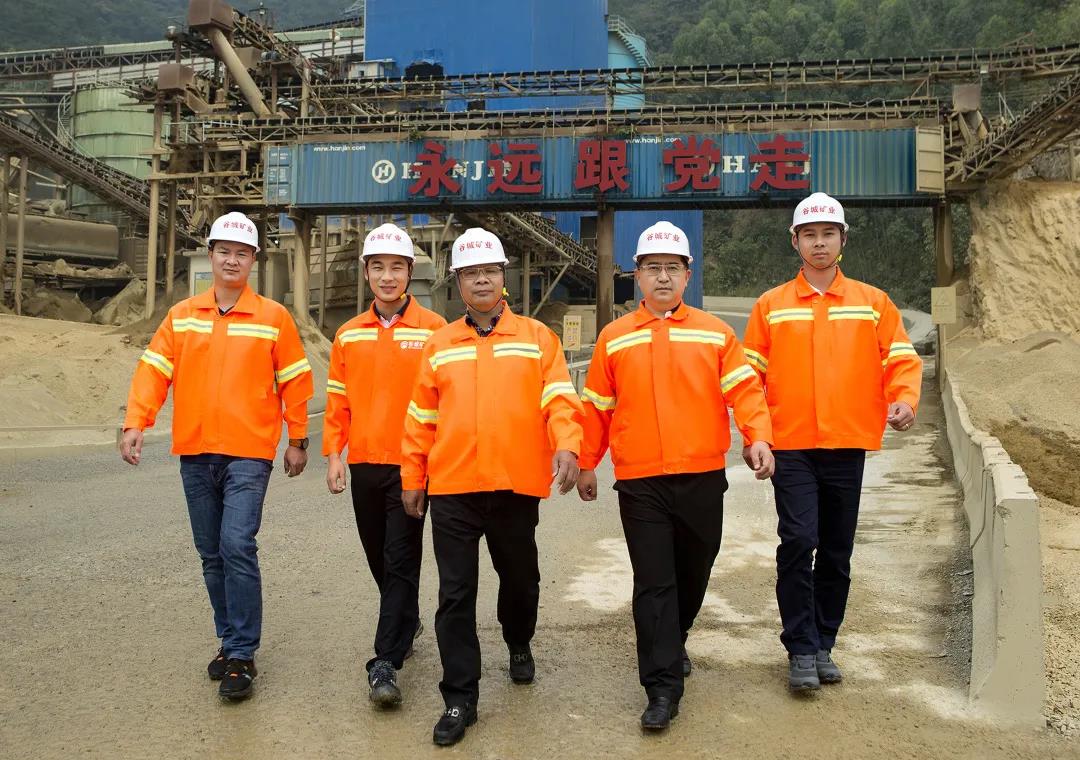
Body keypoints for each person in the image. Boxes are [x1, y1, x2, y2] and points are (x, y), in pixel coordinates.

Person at [577, 221, 774, 730]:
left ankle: (674, 637)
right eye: (652, 268)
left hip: (702, 477)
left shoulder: (715, 334)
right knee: (654, 581)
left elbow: (746, 392)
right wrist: (586, 462)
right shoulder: (615, 338)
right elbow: (596, 407)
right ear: (637, 276)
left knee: (694, 570)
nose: (662, 277)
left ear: (688, 274)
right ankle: (661, 688)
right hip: (640, 481)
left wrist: (757, 436)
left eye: (672, 268)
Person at [400, 227, 583, 746]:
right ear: (457, 282)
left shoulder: (537, 338)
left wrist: (568, 445)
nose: (481, 280)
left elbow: (560, 400)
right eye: (471, 273)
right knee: (455, 594)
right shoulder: (439, 345)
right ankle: (460, 697)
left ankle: (518, 641)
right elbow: (420, 419)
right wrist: (413, 477)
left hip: (514, 485)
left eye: (489, 271)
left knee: (520, 580)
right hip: (453, 487)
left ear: (503, 277)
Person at [120, 211, 313, 700]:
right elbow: (154, 370)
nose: (232, 260)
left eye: (241, 253)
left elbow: (295, 380)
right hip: (195, 451)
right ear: (210, 255)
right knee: (210, 554)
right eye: (224, 251)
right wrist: (136, 421)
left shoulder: (273, 318)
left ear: (253, 261)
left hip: (249, 453)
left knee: (236, 544)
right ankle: (228, 641)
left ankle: (243, 653)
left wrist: (298, 439)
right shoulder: (182, 316)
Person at [742, 192, 922, 691]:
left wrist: (905, 399)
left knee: (837, 550)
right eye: (809, 235)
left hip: (847, 441)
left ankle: (824, 642)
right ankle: (800, 647)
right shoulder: (771, 306)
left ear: (843, 239)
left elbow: (900, 359)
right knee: (800, 541)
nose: (818, 243)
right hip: (791, 444)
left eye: (827, 234)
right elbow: (748, 378)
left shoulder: (872, 303)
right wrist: (756, 435)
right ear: (795, 242)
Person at [322, 222, 447, 707]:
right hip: (364, 464)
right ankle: (405, 620)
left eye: (397, 267)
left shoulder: (434, 330)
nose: (388, 276)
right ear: (366, 272)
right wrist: (335, 454)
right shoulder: (348, 335)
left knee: (400, 558)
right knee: (379, 556)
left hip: (412, 466)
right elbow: (338, 402)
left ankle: (386, 661)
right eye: (379, 267)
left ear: (410, 272)